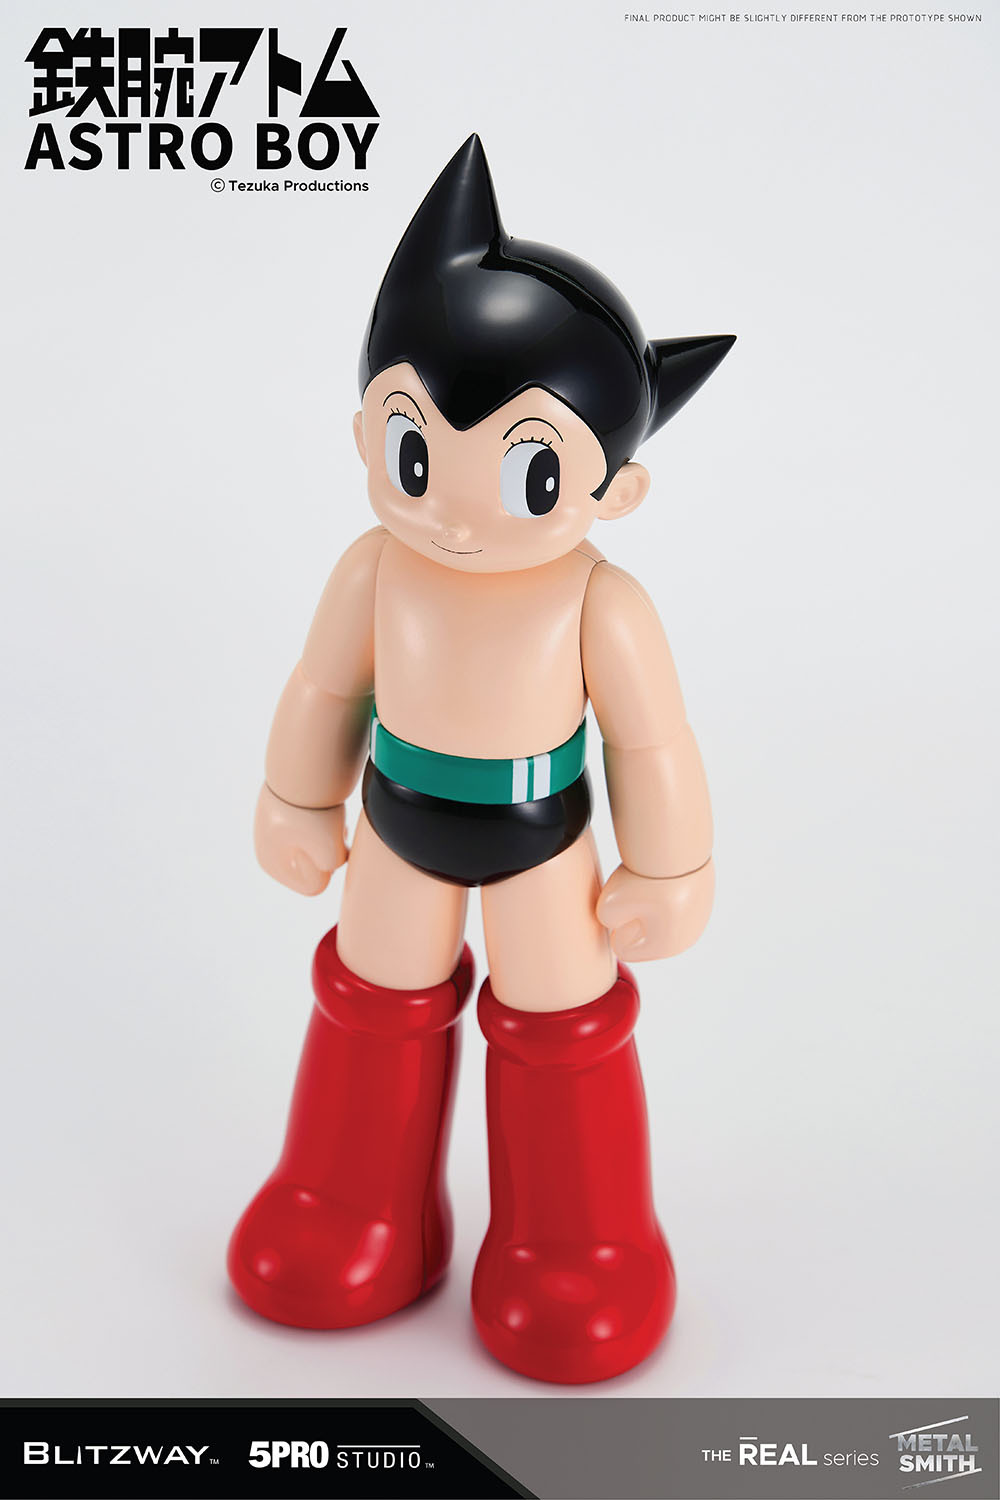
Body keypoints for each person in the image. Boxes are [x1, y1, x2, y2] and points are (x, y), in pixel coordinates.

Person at [228, 135, 734, 1383]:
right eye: (415, 451)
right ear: (365, 434)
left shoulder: (601, 604)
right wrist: (296, 797)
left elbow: (651, 744)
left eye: (526, 467)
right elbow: (325, 688)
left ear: (614, 491)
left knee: (561, 1020)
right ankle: (352, 1207)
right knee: (370, 1000)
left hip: (542, 837)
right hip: (396, 817)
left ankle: (581, 1242)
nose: (453, 511)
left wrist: (670, 872)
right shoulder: (374, 568)